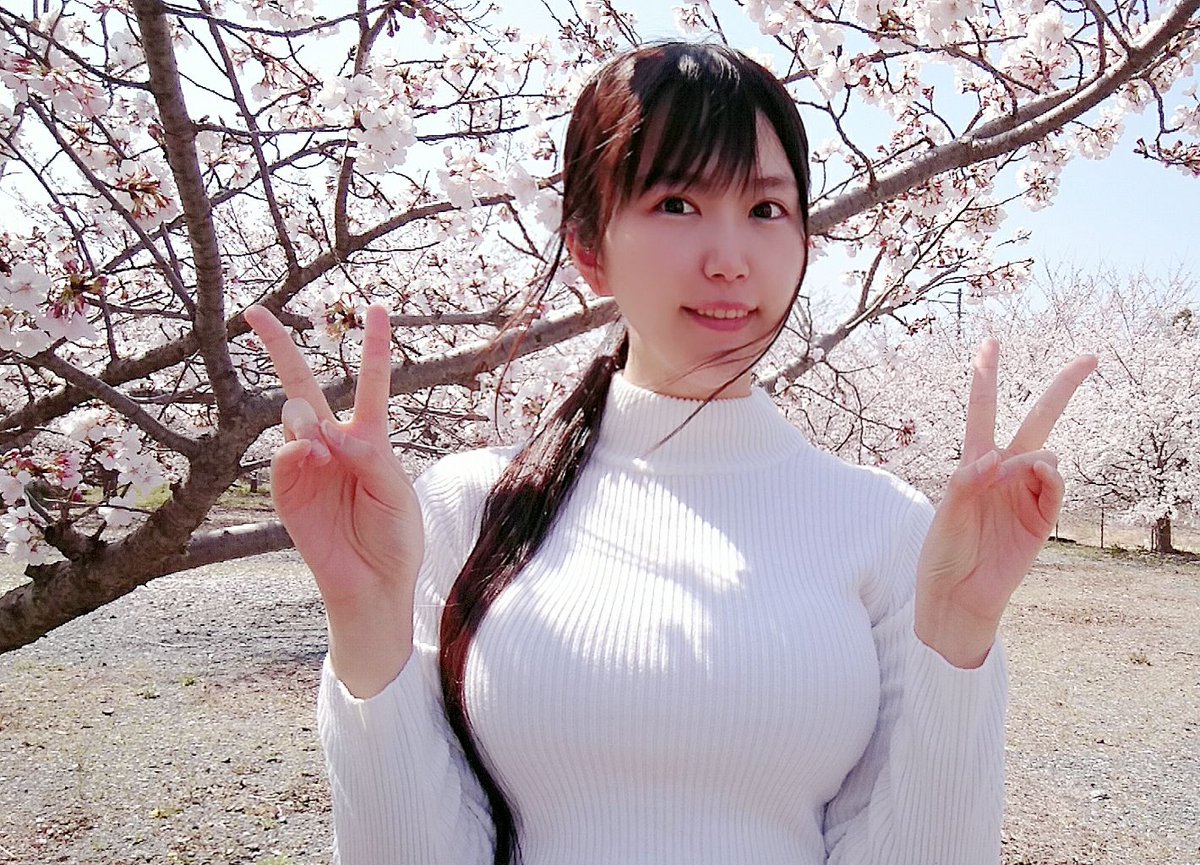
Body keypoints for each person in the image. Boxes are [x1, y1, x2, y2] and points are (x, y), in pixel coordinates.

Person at [244, 41, 1096, 865]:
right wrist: (364, 615)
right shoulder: (464, 508)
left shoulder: (886, 527)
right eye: (678, 204)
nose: (730, 261)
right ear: (589, 249)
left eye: (766, 210)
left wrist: (961, 635)